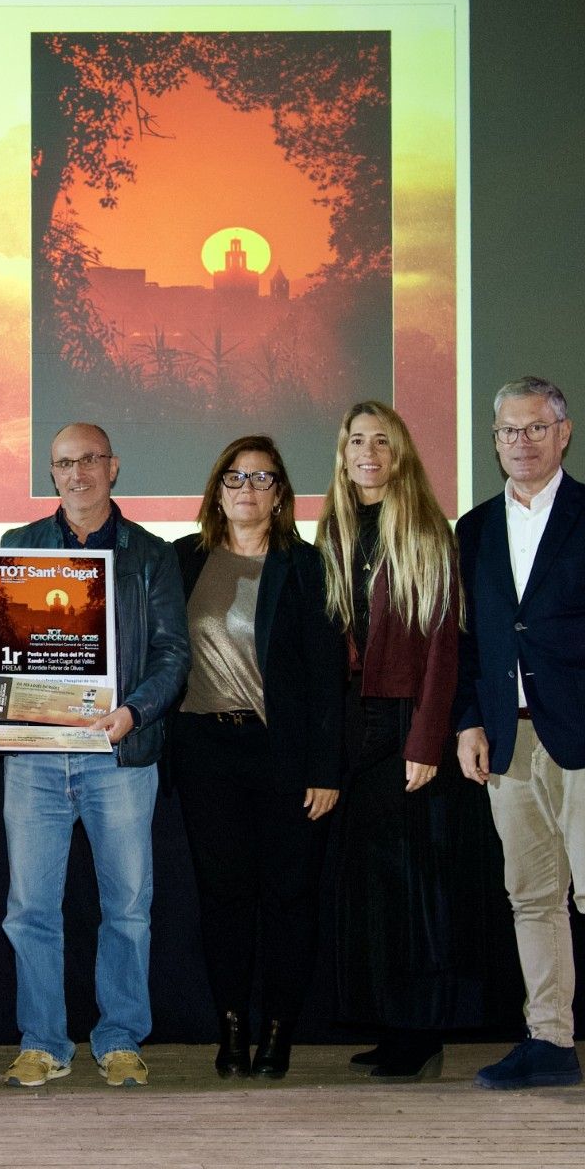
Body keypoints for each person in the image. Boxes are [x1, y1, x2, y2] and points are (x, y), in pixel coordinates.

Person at [455, 375, 585, 1105]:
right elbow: (467, 639)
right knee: (531, 896)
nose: (522, 442)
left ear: (564, 433)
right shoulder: (474, 529)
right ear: (494, 441)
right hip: (508, 741)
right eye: (509, 431)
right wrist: (468, 721)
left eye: (536, 428)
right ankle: (548, 1041)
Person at [0, 422, 190, 1089]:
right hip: (35, 755)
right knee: (29, 909)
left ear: (113, 467)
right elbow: (9, 648)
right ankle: (42, 1042)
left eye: (90, 459)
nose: (78, 473)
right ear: (52, 473)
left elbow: (173, 655)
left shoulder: (151, 555)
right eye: (65, 463)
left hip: (118, 755)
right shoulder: (19, 547)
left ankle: (119, 1039)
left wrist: (133, 713)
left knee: (127, 909)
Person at [318, 401, 516, 1082]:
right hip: (357, 726)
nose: (368, 452)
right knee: (371, 886)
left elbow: (443, 647)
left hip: (409, 723)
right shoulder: (335, 530)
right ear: (343, 454)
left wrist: (428, 740)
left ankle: (420, 1030)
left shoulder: (428, 530)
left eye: (381, 441)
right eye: (357, 441)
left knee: (413, 886)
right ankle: (388, 1022)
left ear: (399, 453)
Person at [169, 435, 344, 1080]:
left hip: (284, 756)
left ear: (280, 495)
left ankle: (277, 1031)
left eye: (262, 478)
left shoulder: (307, 566)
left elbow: (327, 676)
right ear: (218, 491)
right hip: (204, 751)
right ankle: (233, 1029)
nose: (248, 488)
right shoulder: (182, 560)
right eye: (236, 478)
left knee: (290, 898)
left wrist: (326, 768)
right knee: (224, 899)